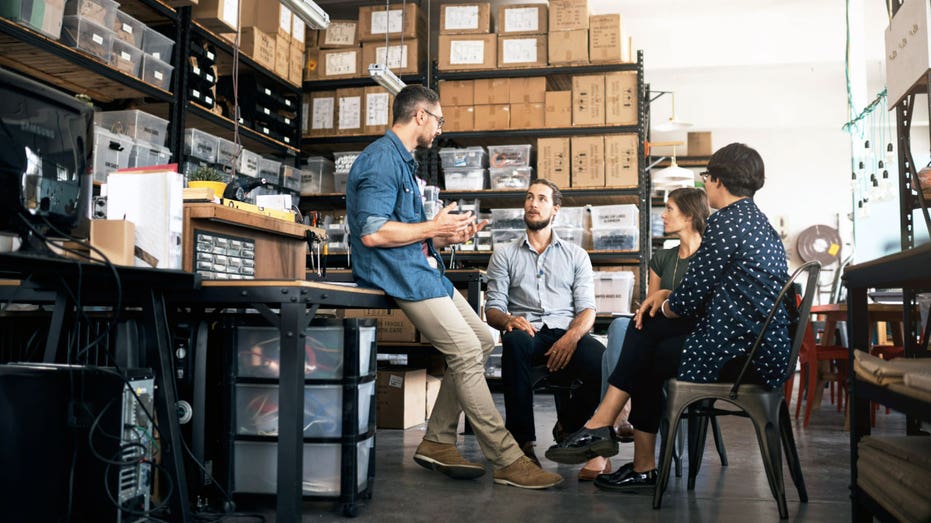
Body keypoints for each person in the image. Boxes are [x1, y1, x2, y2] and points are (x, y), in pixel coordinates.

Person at [345, 85, 563, 489]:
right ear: (421, 116)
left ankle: (438, 441)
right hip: (399, 274)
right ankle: (507, 458)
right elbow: (373, 233)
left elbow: (405, 231)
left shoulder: (402, 160)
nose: (440, 129)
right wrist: (432, 227)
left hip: (421, 269)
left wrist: (444, 237)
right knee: (463, 350)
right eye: (439, 120)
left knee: (481, 340)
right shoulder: (381, 160)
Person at [545, 143, 790, 493]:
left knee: (646, 334)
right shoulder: (758, 223)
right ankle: (615, 438)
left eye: (707, 177)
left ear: (718, 180)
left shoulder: (725, 223)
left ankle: (611, 433)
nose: (705, 184)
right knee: (649, 342)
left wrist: (662, 301)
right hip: (759, 349)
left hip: (742, 356)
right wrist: (665, 300)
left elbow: (687, 301)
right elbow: (708, 295)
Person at [484, 179, 608, 481]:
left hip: (567, 331)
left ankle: (568, 425)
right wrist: (508, 321)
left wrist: (571, 337)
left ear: (555, 209)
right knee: (513, 342)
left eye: (541, 198)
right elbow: (493, 308)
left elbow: (588, 310)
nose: (533, 203)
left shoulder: (576, 255)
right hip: (528, 333)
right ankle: (522, 444)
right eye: (529, 197)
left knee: (601, 360)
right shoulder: (504, 254)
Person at [601, 188, 709, 441]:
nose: (662, 215)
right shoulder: (662, 258)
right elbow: (651, 311)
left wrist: (668, 297)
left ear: (689, 215)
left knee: (613, 353)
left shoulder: (709, 258)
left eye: (669, 209)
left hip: (687, 339)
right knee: (619, 326)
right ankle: (618, 414)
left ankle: (614, 416)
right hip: (659, 331)